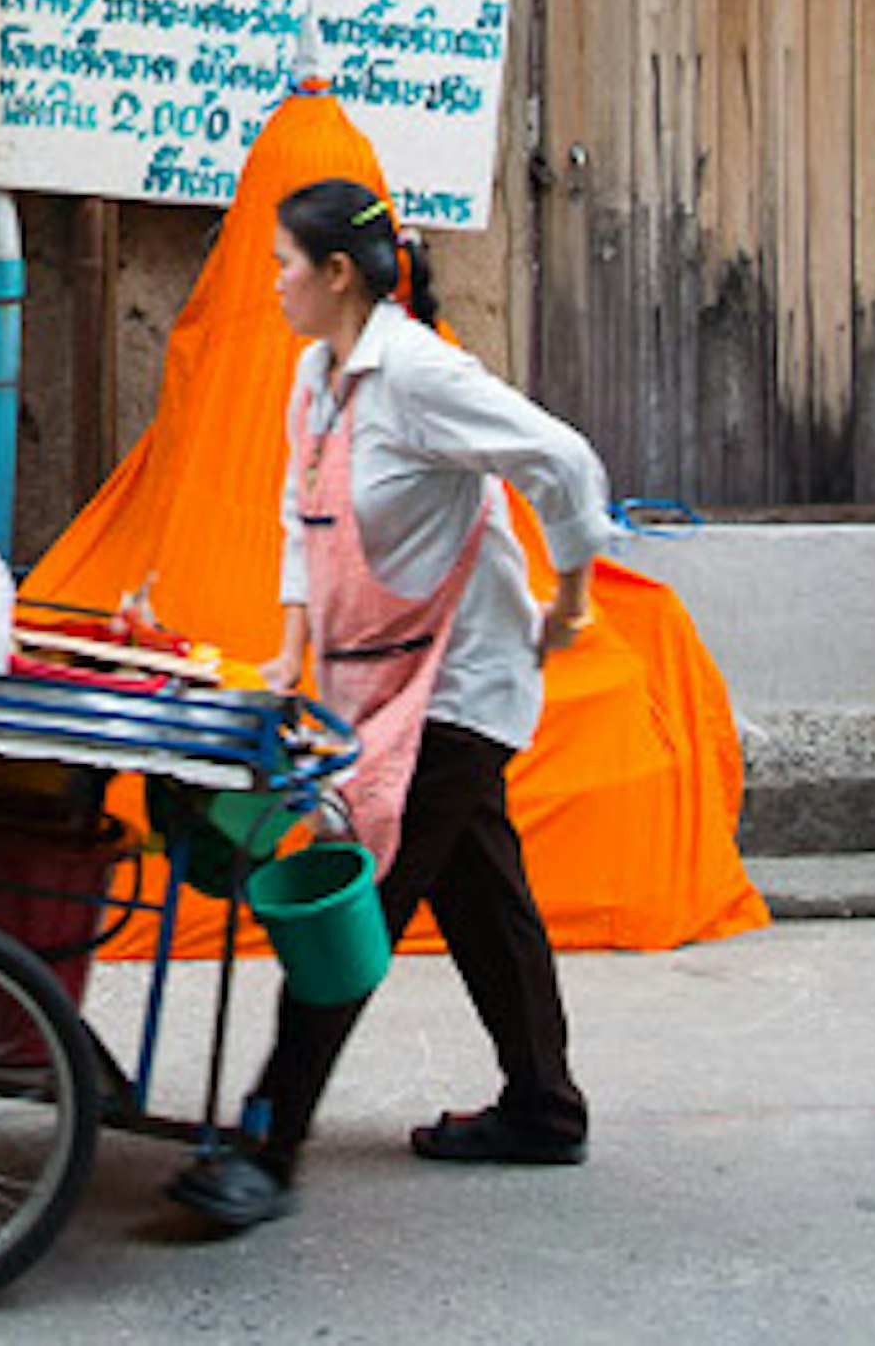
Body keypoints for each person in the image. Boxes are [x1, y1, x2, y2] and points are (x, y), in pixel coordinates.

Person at [168, 177, 612, 1232]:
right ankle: (544, 1108)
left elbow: (562, 459)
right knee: (475, 885)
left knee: (347, 904)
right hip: (372, 676)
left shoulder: (419, 373)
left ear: (334, 274)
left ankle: (267, 1149)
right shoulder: (313, 377)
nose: (271, 280)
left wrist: (573, 598)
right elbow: (301, 511)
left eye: (284, 261)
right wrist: (287, 651)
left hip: (456, 682)